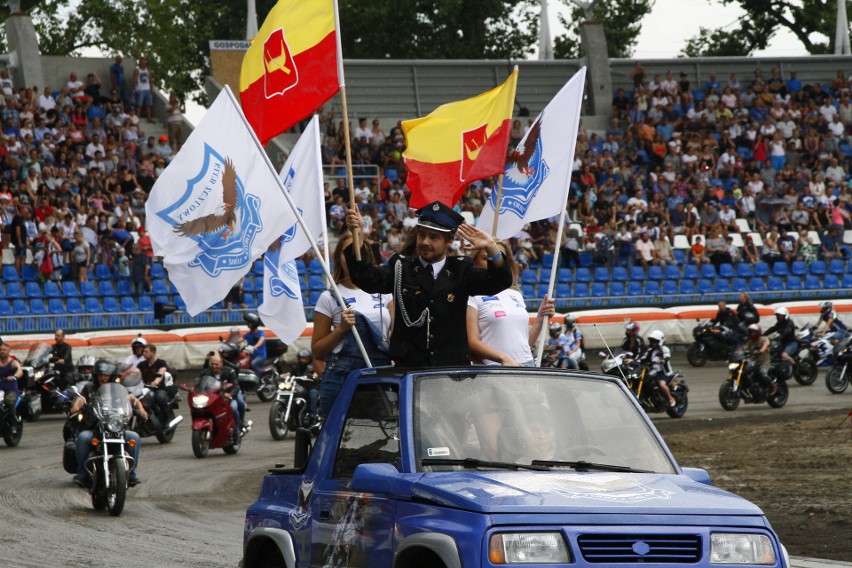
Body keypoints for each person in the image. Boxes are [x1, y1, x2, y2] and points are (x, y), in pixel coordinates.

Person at [344, 201, 513, 367]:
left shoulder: (461, 269)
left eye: (434, 237)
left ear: (449, 241)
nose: (425, 242)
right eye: (421, 234)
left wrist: (491, 247)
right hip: (410, 369)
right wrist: (358, 238)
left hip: (451, 372)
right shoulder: (401, 267)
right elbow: (365, 278)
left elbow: (498, 281)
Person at [312, 233, 392, 418]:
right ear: (339, 257)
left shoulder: (385, 292)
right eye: (347, 251)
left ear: (368, 255)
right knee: (339, 439)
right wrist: (340, 330)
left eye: (359, 250)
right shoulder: (328, 297)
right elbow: (317, 351)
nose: (353, 256)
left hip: (380, 374)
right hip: (342, 377)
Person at [466, 240, 555, 366]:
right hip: (495, 370)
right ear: (475, 262)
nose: (494, 263)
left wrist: (540, 319)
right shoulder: (472, 296)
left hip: (527, 366)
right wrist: (503, 358)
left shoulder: (516, 295)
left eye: (499, 258)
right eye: (486, 258)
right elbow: (472, 342)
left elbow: (525, 344)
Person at [69, 359, 145, 487]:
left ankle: (131, 474)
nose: (103, 378)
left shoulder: (119, 389)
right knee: (83, 438)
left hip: (116, 427)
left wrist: (141, 409)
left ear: (112, 376)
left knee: (134, 437)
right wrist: (76, 406)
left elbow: (132, 399)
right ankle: (82, 475)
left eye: (106, 375)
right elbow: (81, 399)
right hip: (96, 427)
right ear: (96, 375)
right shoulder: (89, 388)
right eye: (100, 375)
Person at [203, 354, 246, 433]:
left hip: (229, 395)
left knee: (235, 406)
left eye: (216, 364)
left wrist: (230, 394)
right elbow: (201, 383)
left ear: (221, 363)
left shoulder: (229, 371)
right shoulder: (207, 372)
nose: (214, 366)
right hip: (214, 397)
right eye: (212, 364)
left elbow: (236, 386)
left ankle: (238, 425)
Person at [135, 343, 171, 427]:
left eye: (146, 352)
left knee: (160, 397)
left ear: (153, 352)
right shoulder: (141, 364)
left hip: (158, 388)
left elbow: (161, 372)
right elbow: (135, 372)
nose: (143, 353)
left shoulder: (161, 363)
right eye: (143, 351)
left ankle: (167, 418)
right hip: (145, 388)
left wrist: (156, 381)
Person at [640, 330, 676, 407]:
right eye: (652, 341)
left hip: (664, 373)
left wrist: (662, 360)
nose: (653, 343)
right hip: (653, 372)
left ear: (660, 341)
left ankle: (670, 398)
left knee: (661, 384)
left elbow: (667, 356)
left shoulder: (664, 349)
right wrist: (634, 361)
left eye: (655, 341)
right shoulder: (650, 350)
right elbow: (643, 358)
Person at [741, 324, 776, 395]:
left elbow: (765, 345)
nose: (752, 334)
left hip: (764, 361)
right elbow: (745, 347)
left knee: (763, 374)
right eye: (750, 332)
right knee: (744, 371)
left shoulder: (764, 339)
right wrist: (739, 351)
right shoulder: (750, 341)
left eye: (753, 332)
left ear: (758, 332)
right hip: (754, 361)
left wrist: (760, 351)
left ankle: (773, 385)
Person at [0, 341, 23, 415]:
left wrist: (14, 376)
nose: (2, 352)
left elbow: (20, 371)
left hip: (10, 389)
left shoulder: (13, 362)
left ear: (9, 351)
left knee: (9, 402)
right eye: (0, 350)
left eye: (4, 350)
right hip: (0, 389)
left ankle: (13, 422)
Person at [132, 57, 154, 122]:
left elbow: (150, 80)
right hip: (140, 89)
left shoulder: (148, 70)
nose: (143, 63)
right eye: (141, 62)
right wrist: (136, 89)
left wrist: (151, 88)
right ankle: (137, 118)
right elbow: (134, 80)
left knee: (149, 104)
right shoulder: (137, 70)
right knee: (139, 104)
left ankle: (149, 118)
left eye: (144, 62)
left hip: (147, 89)